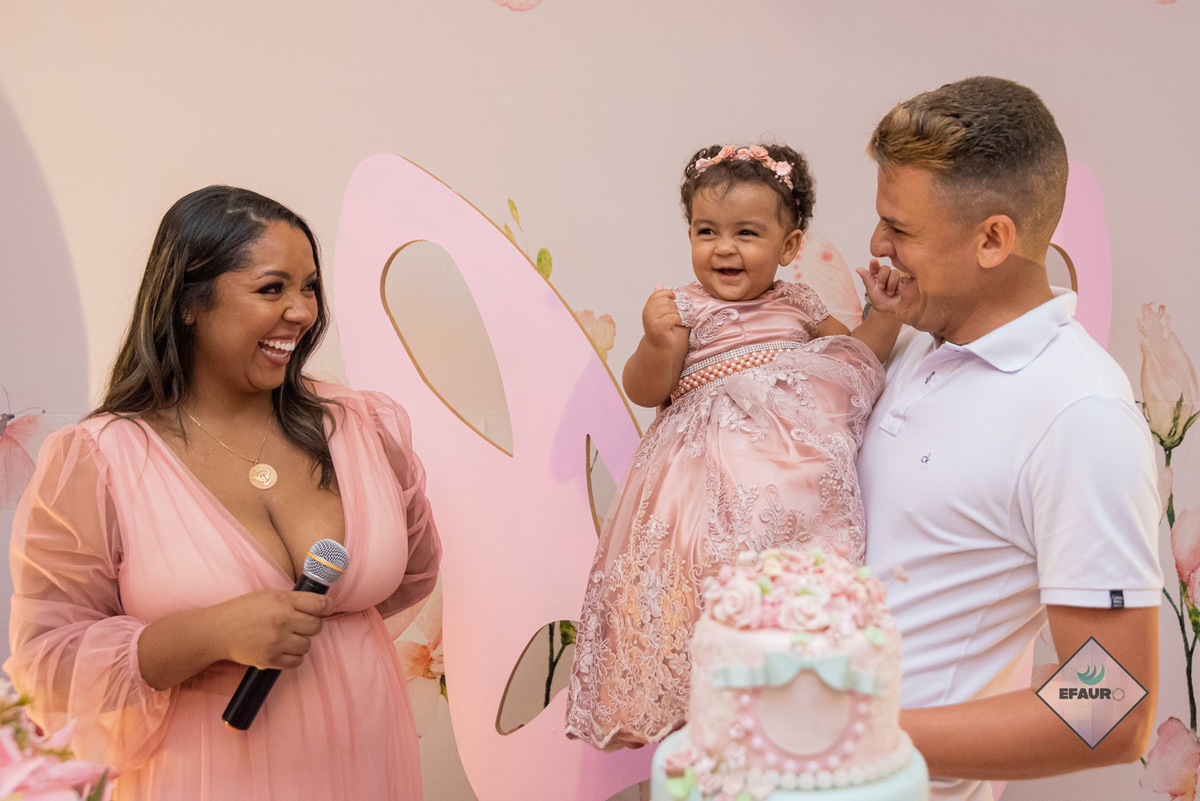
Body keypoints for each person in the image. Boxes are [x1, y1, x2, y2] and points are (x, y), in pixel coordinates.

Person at [6, 186, 441, 801]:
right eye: (272, 288)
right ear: (189, 301)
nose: (302, 312)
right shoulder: (99, 458)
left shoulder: (362, 425)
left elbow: (414, 570)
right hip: (204, 776)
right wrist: (210, 633)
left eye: (310, 287)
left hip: (371, 765)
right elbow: (47, 664)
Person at [856, 76, 1162, 800]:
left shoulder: (1080, 416)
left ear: (993, 239)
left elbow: (1111, 706)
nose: (878, 244)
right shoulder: (923, 341)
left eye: (901, 229)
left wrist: (848, 738)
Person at [564, 143, 902, 750]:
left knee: (784, 587)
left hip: (784, 482)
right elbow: (647, 390)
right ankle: (695, 697)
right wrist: (658, 341)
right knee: (692, 584)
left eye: (747, 233)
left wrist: (886, 314)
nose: (724, 248)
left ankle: (787, 678)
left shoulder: (800, 305)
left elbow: (855, 358)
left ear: (789, 246)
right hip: (699, 481)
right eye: (707, 231)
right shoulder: (684, 309)